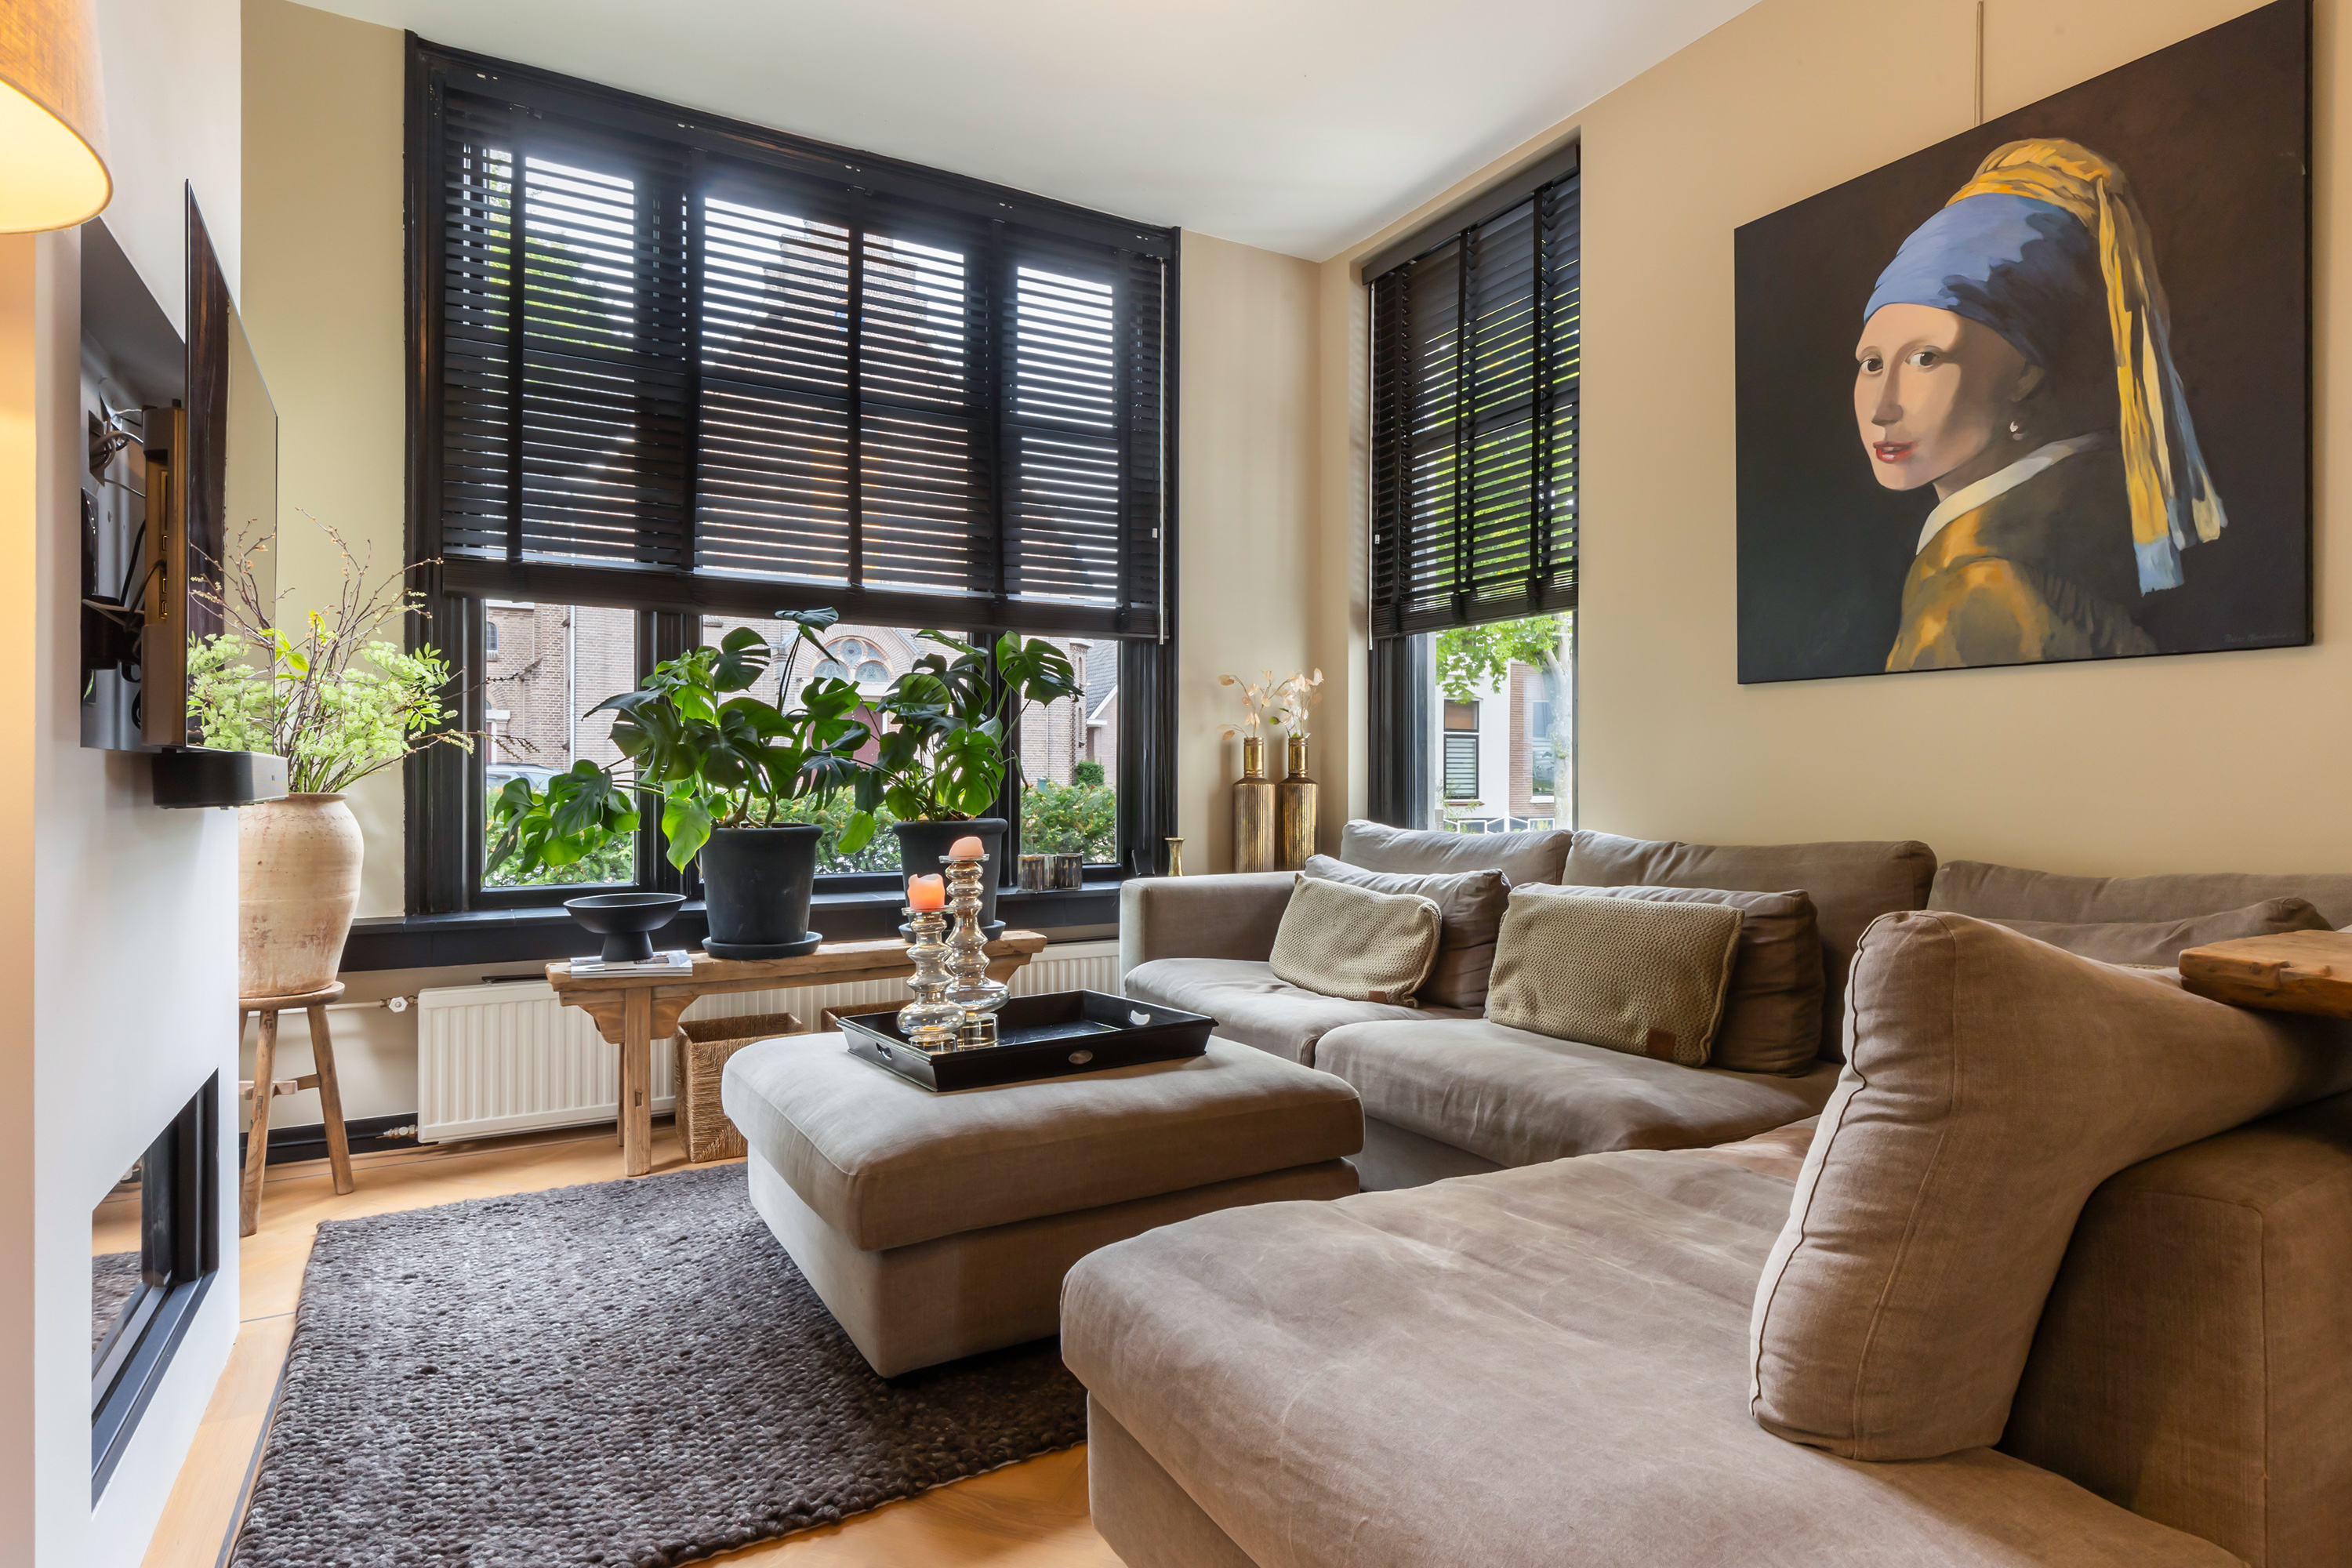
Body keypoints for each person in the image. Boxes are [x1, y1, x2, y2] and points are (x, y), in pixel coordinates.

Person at [1853, 138, 2226, 671]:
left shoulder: (1980, 590)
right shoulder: (2101, 504)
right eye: (1871, 363)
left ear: (2024, 371)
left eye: (1925, 358)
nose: (1882, 408)